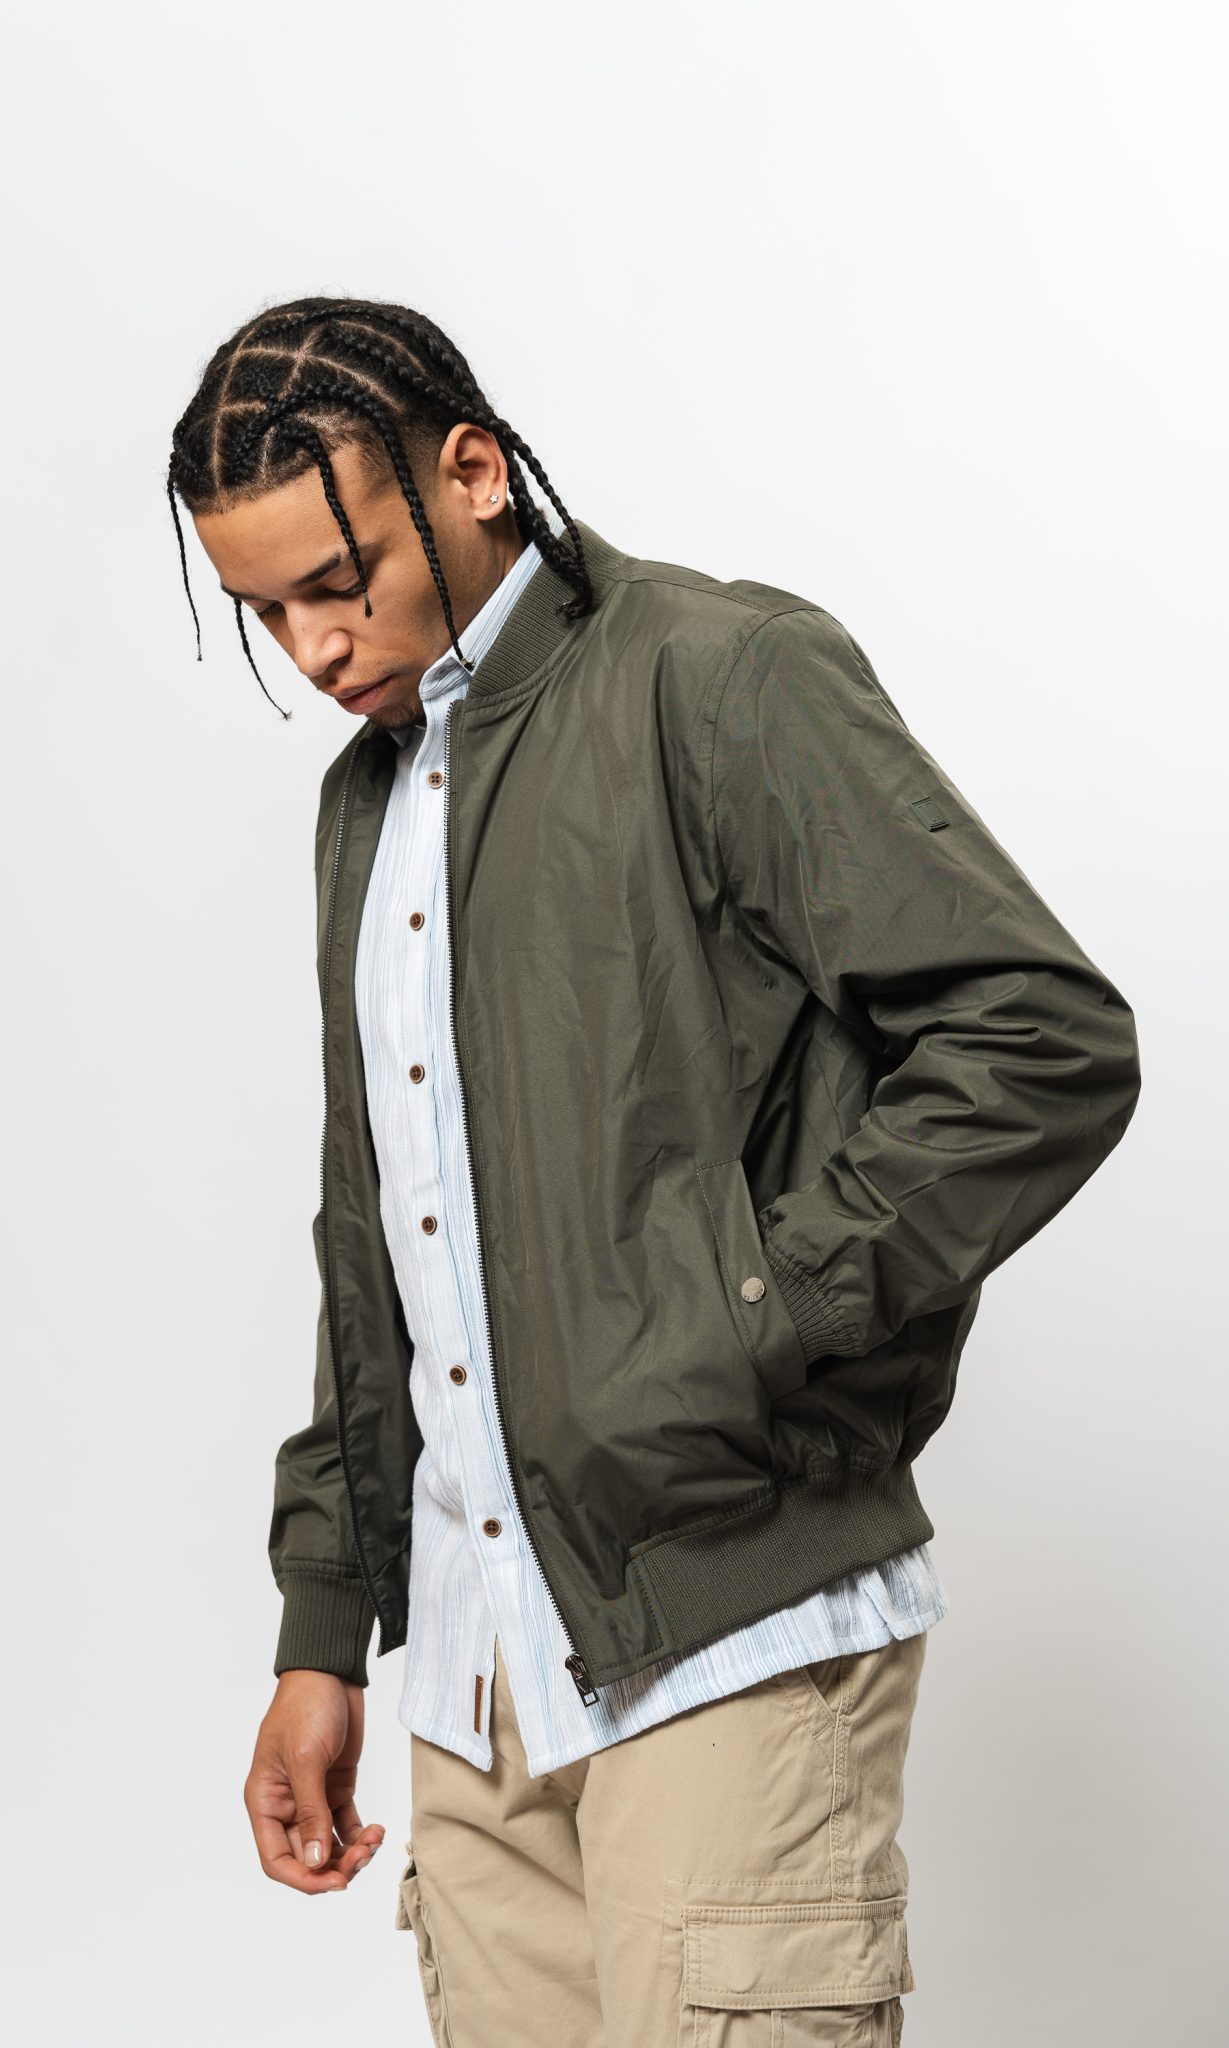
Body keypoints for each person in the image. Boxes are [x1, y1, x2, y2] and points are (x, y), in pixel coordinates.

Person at [165, 297, 1141, 2047]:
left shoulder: (717, 676)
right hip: (478, 1690)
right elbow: (380, 1232)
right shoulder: (366, 804)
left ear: (473, 473)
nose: (312, 646)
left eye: (339, 579)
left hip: (730, 1633)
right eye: (266, 612)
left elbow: (1038, 1037)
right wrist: (325, 1626)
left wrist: (752, 1316)